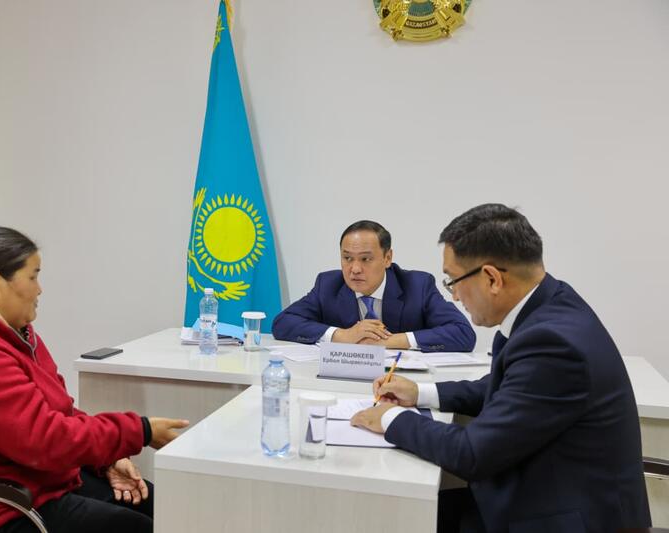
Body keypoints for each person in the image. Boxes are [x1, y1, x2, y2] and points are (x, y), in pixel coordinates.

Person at [351, 205, 651, 532]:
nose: (454, 297)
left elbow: (472, 453)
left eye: (453, 281)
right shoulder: (552, 302)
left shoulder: (553, 343)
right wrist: (421, 392)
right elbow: (508, 387)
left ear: (492, 278)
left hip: (561, 519)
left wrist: (391, 418)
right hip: (540, 495)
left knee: (391, 519)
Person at [0, 224, 189, 533]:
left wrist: (106, 459)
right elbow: (46, 439)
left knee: (158, 505)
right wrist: (139, 431)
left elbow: (57, 414)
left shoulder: (10, 333)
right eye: (33, 277)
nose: (40, 290)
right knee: (136, 527)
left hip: (28, 482)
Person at [272, 220, 475, 352]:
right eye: (347, 258)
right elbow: (283, 323)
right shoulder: (328, 285)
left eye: (366, 259)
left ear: (387, 258)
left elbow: (463, 333)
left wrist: (388, 341)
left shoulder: (418, 285)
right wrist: (342, 335)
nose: (355, 269)